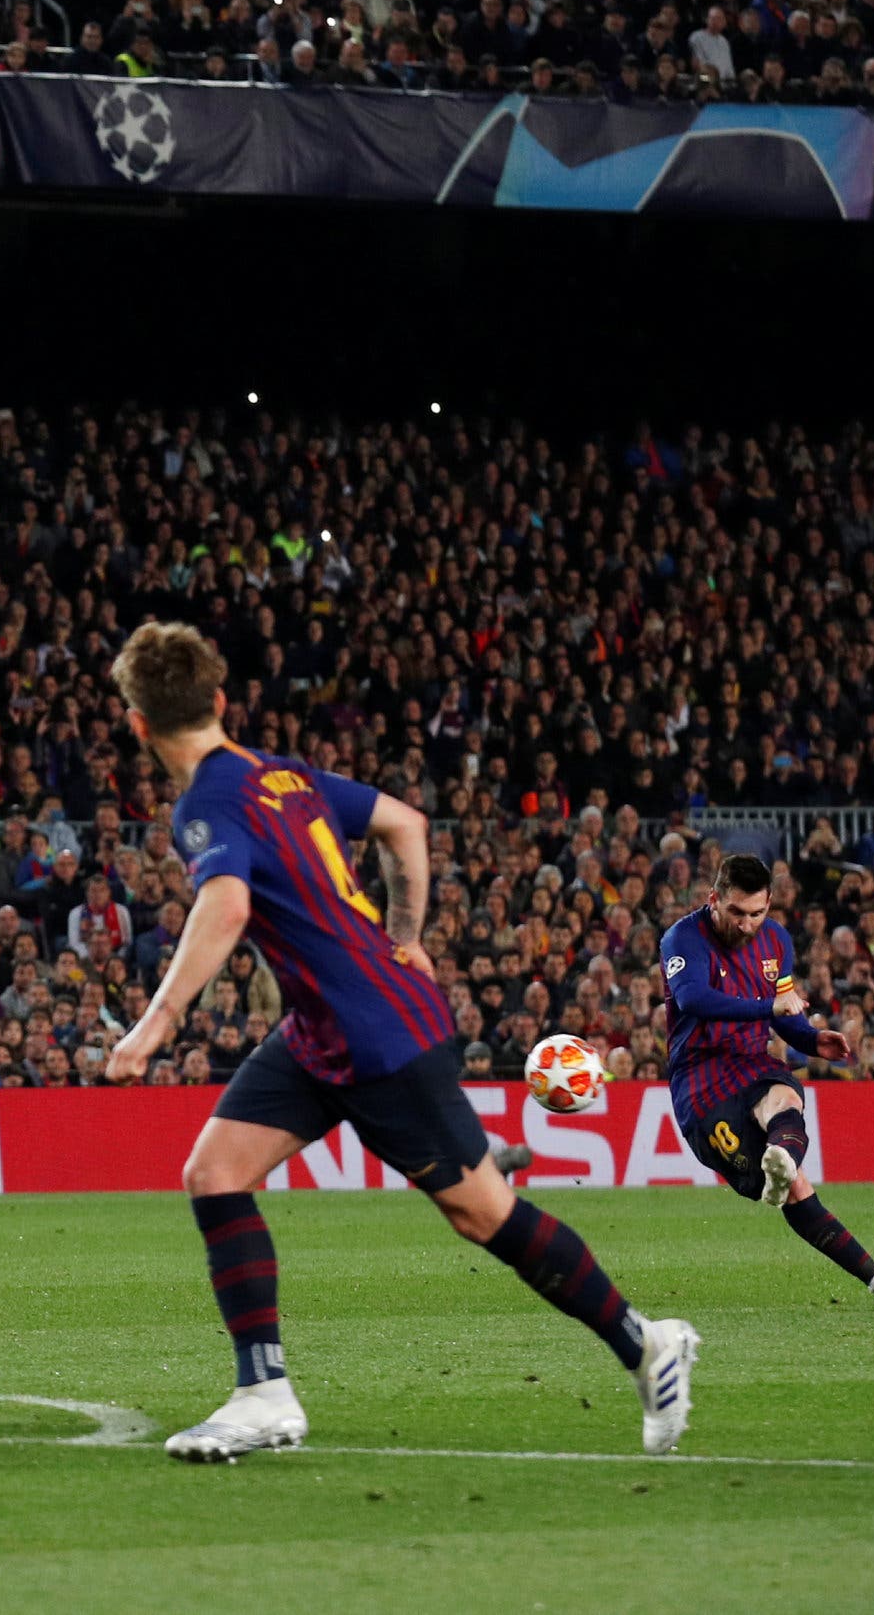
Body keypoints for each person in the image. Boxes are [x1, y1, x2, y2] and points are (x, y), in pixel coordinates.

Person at [100, 623, 694, 1461]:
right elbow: (405, 823)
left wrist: (154, 1026)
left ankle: (647, 1343)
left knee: (482, 1217)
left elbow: (227, 905)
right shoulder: (282, 774)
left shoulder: (206, 802)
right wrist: (406, 934)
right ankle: (263, 1394)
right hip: (324, 1028)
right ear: (220, 700)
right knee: (215, 1172)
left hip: (378, 1035)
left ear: (138, 724)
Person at [659, 855, 874, 1307]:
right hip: (701, 1086)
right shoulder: (682, 938)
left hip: (751, 1063)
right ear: (714, 899)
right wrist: (769, 1009)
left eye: (756, 913)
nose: (746, 925)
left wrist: (810, 1038)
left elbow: (785, 1014)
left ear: (769, 905)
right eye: (736, 912)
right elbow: (693, 1000)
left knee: (787, 1100)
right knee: (795, 1191)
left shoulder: (776, 942)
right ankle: (783, 1161)